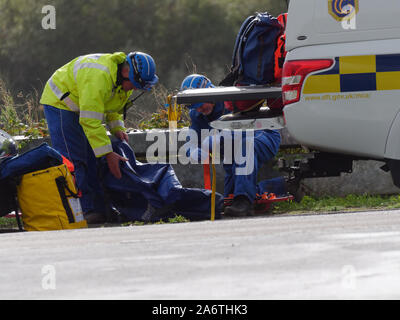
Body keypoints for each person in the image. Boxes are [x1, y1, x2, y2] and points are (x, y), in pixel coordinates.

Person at [40, 51, 159, 223]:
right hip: (60, 104)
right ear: (127, 73)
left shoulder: (121, 79)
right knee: (74, 160)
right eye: (134, 85)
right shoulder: (99, 78)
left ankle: (101, 208)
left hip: (82, 105)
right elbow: (90, 121)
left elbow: (113, 107)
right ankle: (83, 211)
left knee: (93, 159)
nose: (134, 89)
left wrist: (117, 129)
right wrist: (108, 153)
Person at [180, 74, 281, 217]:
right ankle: (279, 186)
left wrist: (221, 137)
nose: (199, 110)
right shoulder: (197, 115)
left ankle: (244, 201)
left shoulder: (230, 100)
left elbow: (246, 130)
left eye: (201, 105)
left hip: (262, 135)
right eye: (194, 107)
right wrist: (193, 150)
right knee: (230, 191)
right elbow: (190, 141)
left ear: (210, 93)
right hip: (233, 149)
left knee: (244, 148)